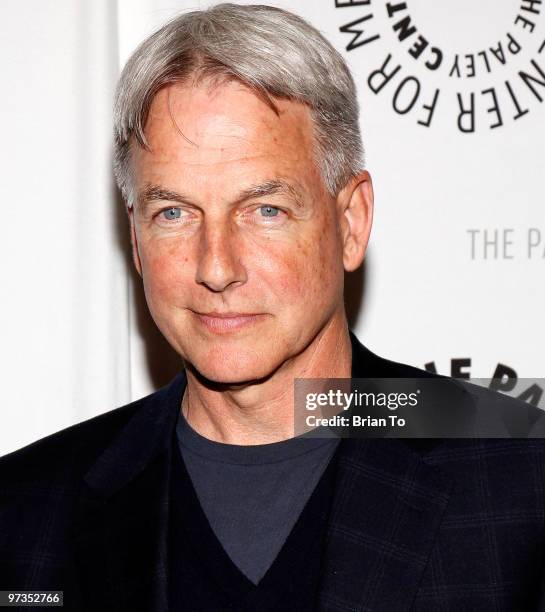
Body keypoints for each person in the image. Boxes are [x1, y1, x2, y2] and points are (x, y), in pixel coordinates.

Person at [1, 4, 544, 611]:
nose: (216, 267)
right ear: (135, 237)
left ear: (351, 221)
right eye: (173, 213)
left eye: (265, 211)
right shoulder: (24, 516)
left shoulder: (523, 478)